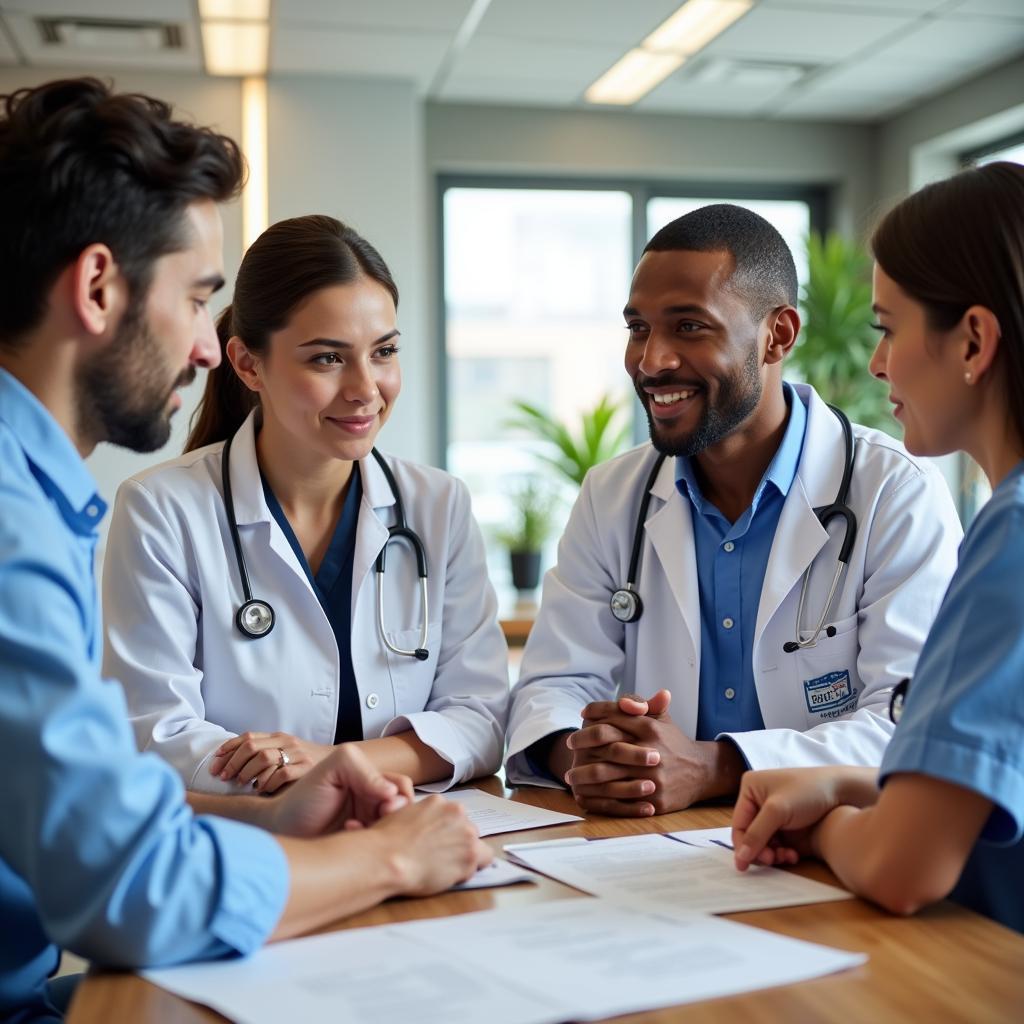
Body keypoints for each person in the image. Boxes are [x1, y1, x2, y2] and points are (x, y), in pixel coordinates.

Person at [0, 78, 490, 1023]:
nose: (200, 348)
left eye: (383, 351)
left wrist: (272, 815)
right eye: (195, 299)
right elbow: (130, 891)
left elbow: (90, 818)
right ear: (99, 287)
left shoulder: (34, 496)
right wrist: (388, 856)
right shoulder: (20, 520)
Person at [505, 203, 963, 817]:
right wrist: (589, 755)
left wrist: (718, 767)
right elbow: (552, 685)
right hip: (645, 845)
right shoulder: (613, 494)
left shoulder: (893, 492)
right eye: (638, 327)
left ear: (779, 335)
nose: (651, 360)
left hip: (824, 843)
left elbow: (908, 723)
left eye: (689, 327)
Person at [101, 214, 509, 796]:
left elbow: (481, 717)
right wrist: (315, 783)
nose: (366, 388)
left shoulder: (438, 505)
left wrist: (331, 764)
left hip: (412, 837)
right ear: (247, 364)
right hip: (250, 843)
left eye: (384, 351)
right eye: (327, 358)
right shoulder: (161, 510)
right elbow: (155, 732)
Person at [732, 161, 1024, 933]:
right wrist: (846, 785)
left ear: (973, 340)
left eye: (889, 328)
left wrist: (817, 825)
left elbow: (902, 868)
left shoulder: (1014, 539)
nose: (876, 363)